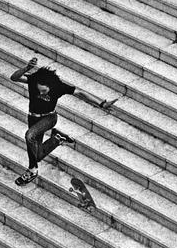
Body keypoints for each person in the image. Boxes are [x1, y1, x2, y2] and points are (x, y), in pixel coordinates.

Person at [9, 56, 115, 186]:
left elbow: (80, 92)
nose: (41, 93)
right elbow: (14, 78)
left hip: (49, 118)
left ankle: (32, 170)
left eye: (44, 91)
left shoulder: (58, 87)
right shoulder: (33, 80)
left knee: (29, 136)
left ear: (50, 86)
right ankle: (57, 138)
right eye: (38, 90)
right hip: (32, 118)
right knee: (37, 155)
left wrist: (101, 103)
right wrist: (27, 68)